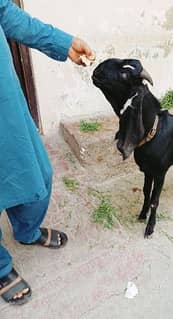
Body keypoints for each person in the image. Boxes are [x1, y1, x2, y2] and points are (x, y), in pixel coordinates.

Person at [0, 0, 95, 305]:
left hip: (5, 106)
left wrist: (63, 43)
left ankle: (26, 230)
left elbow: (4, 11)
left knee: (38, 174)